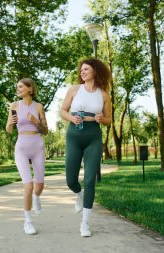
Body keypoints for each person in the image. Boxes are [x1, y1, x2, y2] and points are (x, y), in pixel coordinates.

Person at [60, 57, 112, 237]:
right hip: (74, 134)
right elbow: (63, 110)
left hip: (93, 136)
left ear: (95, 72)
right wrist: (71, 118)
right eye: (81, 70)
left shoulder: (104, 94)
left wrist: (102, 119)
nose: (82, 72)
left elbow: (109, 119)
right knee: (70, 180)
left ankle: (85, 223)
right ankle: (78, 194)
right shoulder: (74, 89)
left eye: (86, 69)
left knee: (90, 180)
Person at [6, 78, 48, 235]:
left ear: (30, 89)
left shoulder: (38, 107)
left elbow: (46, 131)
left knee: (39, 187)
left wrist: (36, 121)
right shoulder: (14, 106)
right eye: (17, 87)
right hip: (21, 147)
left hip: (37, 147)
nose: (18, 89)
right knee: (28, 186)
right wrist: (10, 122)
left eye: (21, 86)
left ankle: (37, 198)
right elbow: (9, 129)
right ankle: (28, 222)